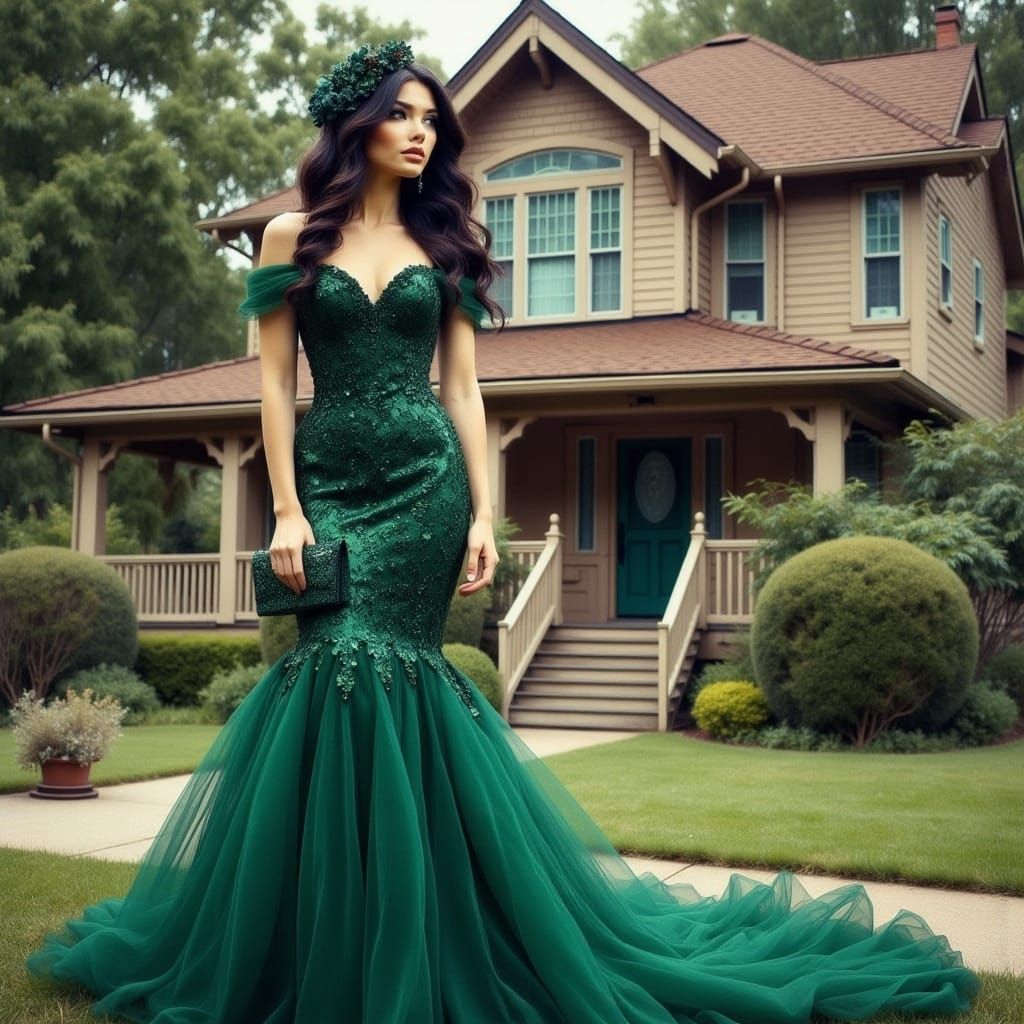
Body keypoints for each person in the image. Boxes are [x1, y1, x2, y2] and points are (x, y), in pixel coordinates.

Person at [25, 40, 980, 1024]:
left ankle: (428, 932)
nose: (420, 133)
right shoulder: (290, 238)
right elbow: (271, 383)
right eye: (402, 114)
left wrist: (482, 511)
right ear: (357, 125)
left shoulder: (444, 245)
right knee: (332, 669)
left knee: (382, 668)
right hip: (330, 482)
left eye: (431, 120)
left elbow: (465, 390)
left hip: (426, 489)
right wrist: (288, 508)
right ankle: (317, 937)